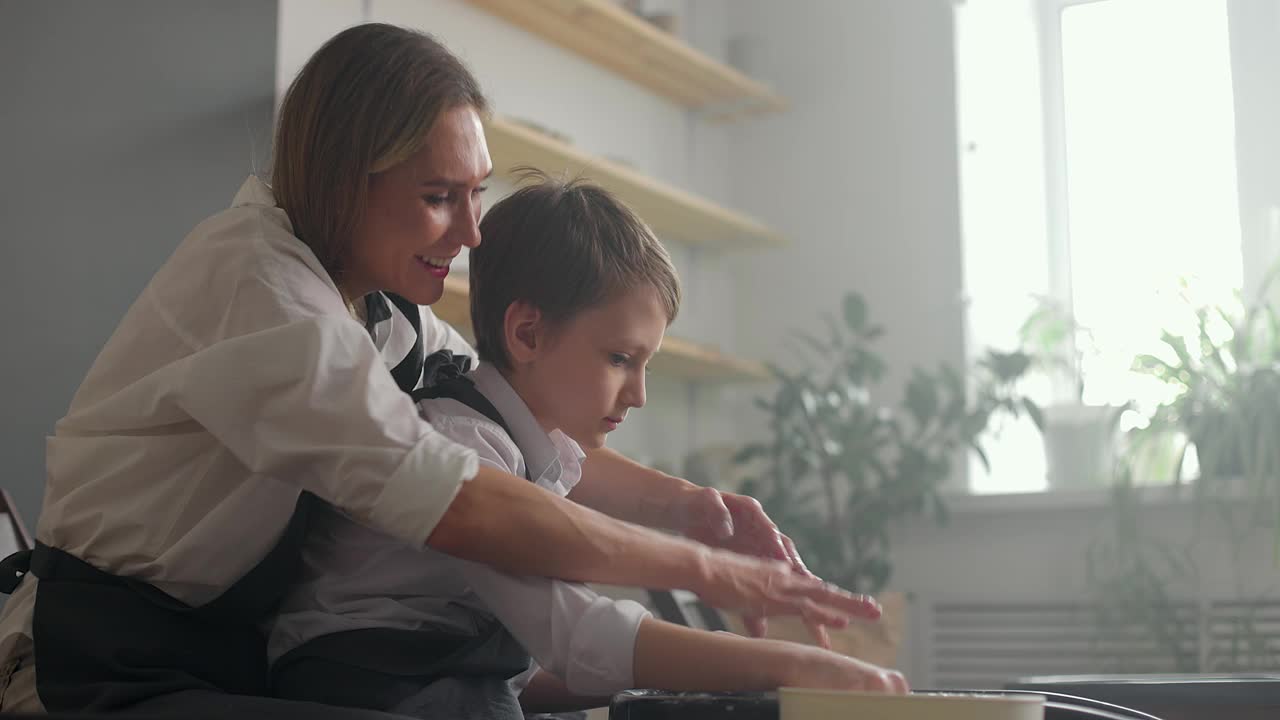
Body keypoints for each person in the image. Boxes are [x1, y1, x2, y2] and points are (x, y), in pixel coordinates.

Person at [0, 23, 895, 718]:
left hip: (226, 652)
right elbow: (463, 497)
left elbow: (520, 434)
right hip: (105, 660)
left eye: (478, 194)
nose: (471, 235)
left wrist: (699, 511)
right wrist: (708, 572)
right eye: (438, 198)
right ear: (345, 178)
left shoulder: (390, 317)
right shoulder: (262, 290)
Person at [266, 176, 907, 718]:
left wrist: (694, 685)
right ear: (527, 333)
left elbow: (538, 652)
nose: (639, 394)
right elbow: (577, 634)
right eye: (621, 358)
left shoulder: (536, 451)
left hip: (433, 678)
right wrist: (798, 669)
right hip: (353, 689)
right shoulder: (465, 445)